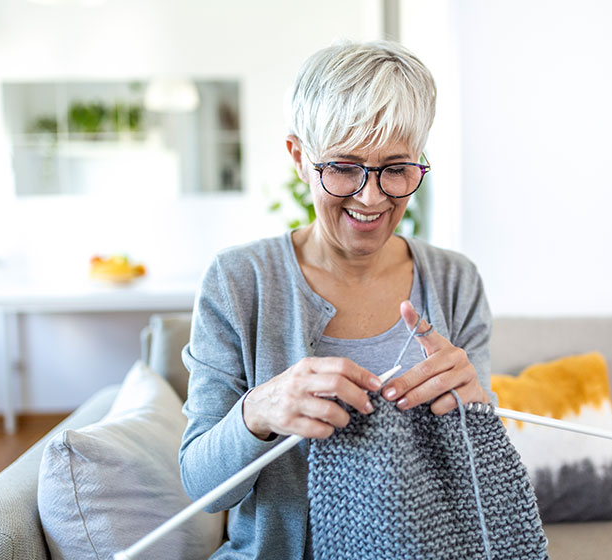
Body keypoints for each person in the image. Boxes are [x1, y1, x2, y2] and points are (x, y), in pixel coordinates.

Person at [180, 40, 494, 560]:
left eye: (396, 168)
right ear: (300, 158)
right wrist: (259, 412)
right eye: (344, 167)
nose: (371, 198)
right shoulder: (239, 281)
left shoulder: (456, 282)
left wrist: (477, 409)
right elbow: (202, 486)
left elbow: (478, 485)